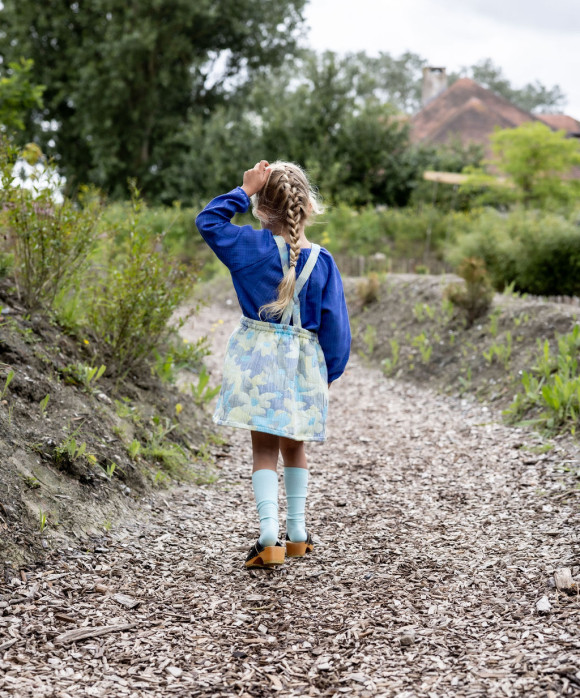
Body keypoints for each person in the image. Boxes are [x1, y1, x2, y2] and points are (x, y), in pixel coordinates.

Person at [196, 160, 350, 569]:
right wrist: (327, 374)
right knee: (295, 445)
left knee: (263, 448)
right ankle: (297, 534)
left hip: (258, 363)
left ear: (262, 207)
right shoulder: (323, 261)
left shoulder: (250, 249)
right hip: (303, 366)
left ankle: (269, 537)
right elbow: (336, 328)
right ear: (307, 205)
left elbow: (208, 222)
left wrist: (242, 191)